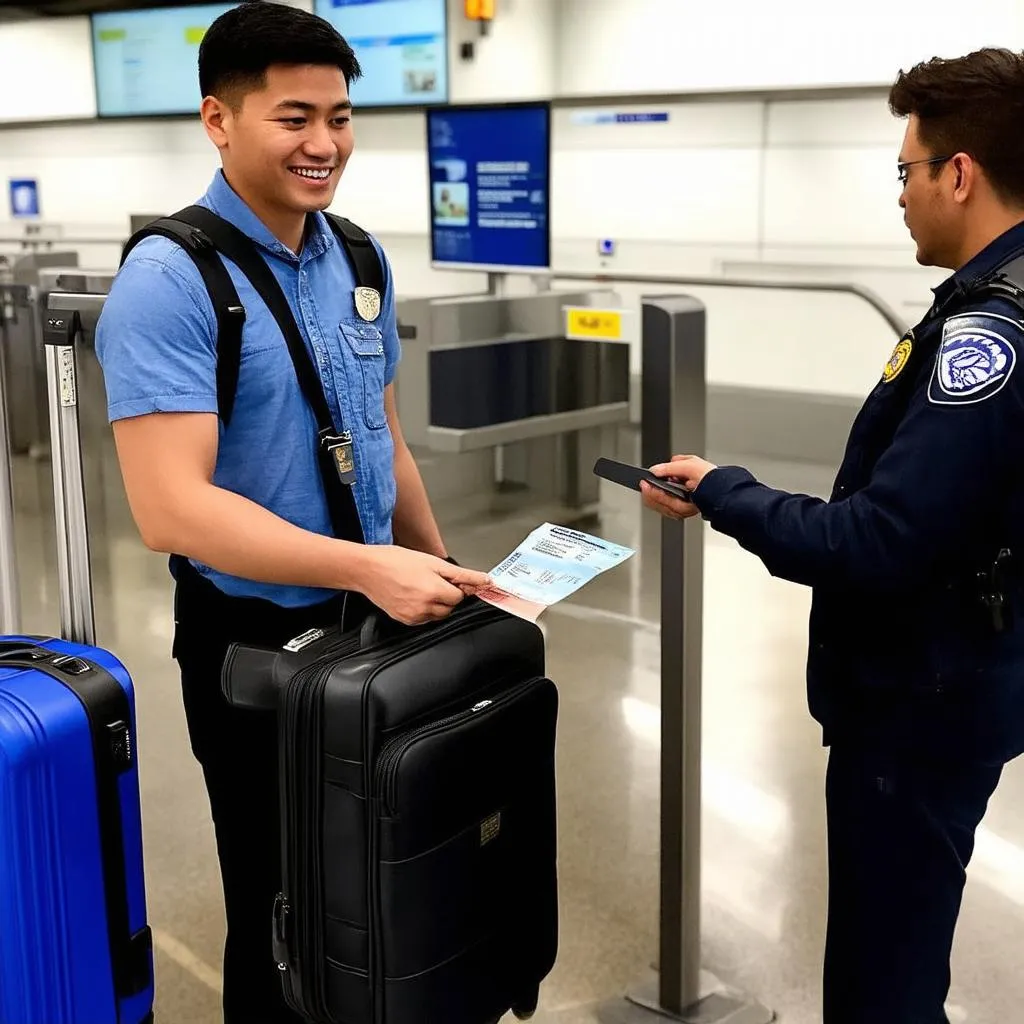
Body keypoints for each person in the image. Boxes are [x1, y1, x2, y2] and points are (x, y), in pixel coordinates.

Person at [94, 3, 490, 1021]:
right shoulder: (171, 278)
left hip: (376, 619)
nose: (325, 144)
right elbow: (171, 510)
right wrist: (368, 567)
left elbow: (385, 436)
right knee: (285, 911)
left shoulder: (358, 258)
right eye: (294, 116)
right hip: (256, 648)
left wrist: (439, 569)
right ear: (219, 121)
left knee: (383, 890)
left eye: (342, 117)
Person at [641, 48, 1024, 1024]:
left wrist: (726, 491)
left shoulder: (990, 333)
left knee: (879, 985)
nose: (899, 194)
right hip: (965, 676)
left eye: (905, 169)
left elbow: (879, 540)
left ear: (960, 174)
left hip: (918, 702)